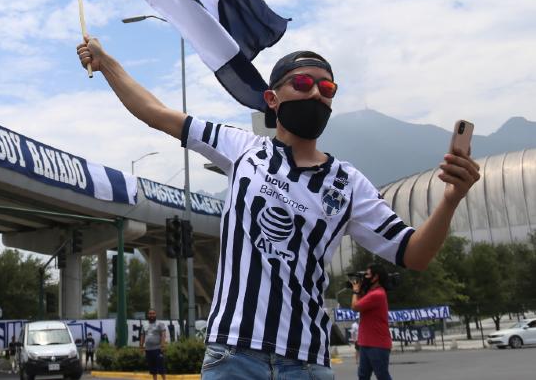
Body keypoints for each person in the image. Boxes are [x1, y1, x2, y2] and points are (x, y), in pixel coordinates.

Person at [76, 39, 481, 379]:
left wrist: (451, 199)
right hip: (233, 356)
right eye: (303, 83)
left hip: (305, 363)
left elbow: (414, 253)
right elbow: (155, 113)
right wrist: (108, 62)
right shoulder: (242, 148)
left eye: (328, 87)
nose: (316, 93)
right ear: (272, 99)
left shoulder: (349, 183)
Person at [353, 265, 392, 380]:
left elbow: (355, 306)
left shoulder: (377, 294)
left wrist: (355, 291)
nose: (365, 277)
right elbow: (360, 302)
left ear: (375, 277)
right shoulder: (370, 292)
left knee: (382, 376)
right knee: (363, 376)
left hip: (377, 344)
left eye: (367, 274)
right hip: (365, 342)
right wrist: (359, 290)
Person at [139, 309, 166, 380]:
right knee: (152, 368)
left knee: (161, 367)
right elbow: (142, 335)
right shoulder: (144, 324)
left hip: (158, 349)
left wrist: (163, 345)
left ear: (155, 314)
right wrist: (141, 346)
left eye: (153, 313)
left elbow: (163, 335)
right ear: (148, 315)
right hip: (148, 350)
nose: (151, 315)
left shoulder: (160, 324)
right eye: (150, 314)